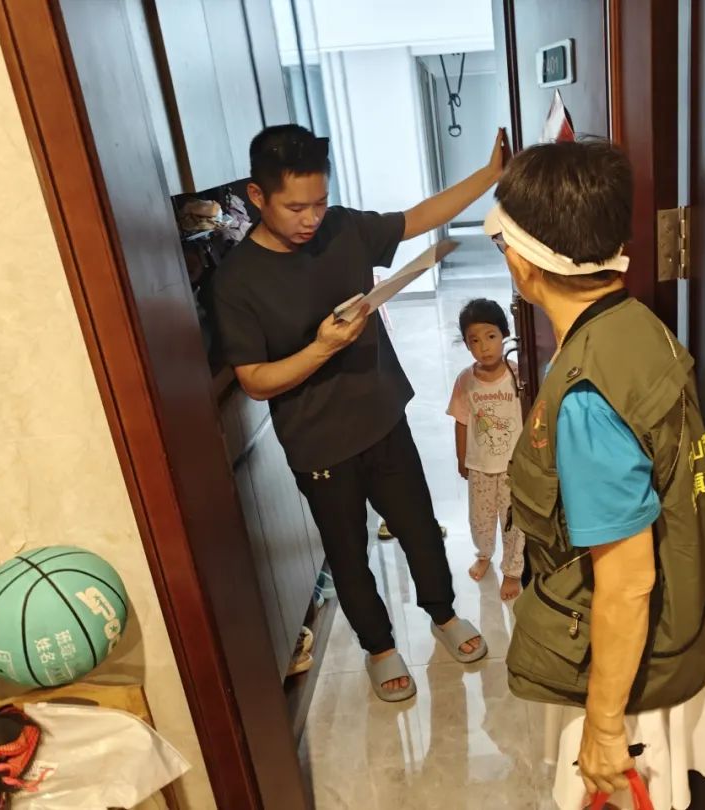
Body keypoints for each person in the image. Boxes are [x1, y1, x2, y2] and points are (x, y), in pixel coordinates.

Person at [487, 141, 705, 809]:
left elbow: (626, 579)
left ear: (522, 261)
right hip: (667, 634)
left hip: (628, 673)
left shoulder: (588, 396)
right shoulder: (637, 325)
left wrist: (605, 727)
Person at [215, 124, 509, 702]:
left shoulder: (343, 228)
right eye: (295, 207)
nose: (311, 219)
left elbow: (418, 218)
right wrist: (323, 347)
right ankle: (379, 648)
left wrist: (489, 175)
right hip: (318, 442)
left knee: (420, 528)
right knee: (348, 553)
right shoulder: (236, 281)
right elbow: (254, 381)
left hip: (382, 416)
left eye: (319, 202)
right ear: (257, 197)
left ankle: (443, 614)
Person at [446, 299, 526, 601]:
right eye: (474, 341)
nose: (484, 347)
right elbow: (461, 421)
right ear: (467, 345)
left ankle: (513, 570)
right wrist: (461, 458)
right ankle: (483, 553)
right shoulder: (465, 380)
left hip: (512, 468)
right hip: (479, 465)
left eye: (491, 336)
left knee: (513, 522)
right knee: (480, 520)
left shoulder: (517, 374)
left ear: (504, 334)